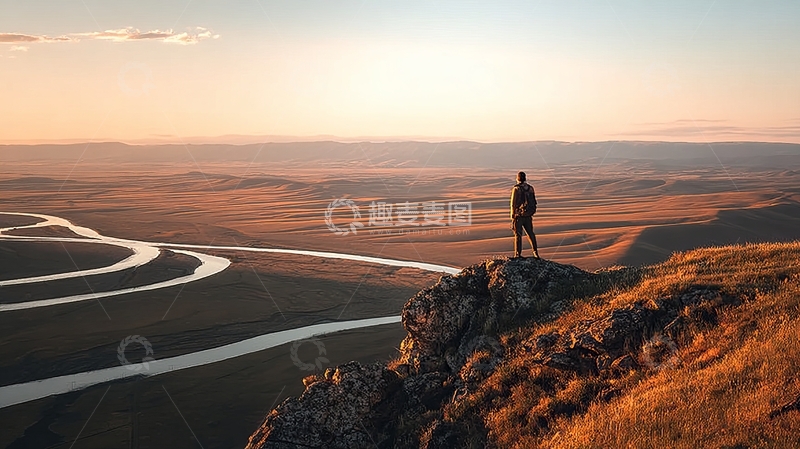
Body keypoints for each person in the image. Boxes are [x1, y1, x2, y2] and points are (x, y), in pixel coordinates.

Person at [510, 171, 540, 259]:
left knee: (518, 234)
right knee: (530, 233)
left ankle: (517, 254)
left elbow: (513, 203)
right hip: (528, 215)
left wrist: (512, 215)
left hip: (519, 215)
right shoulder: (530, 188)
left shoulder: (516, 189)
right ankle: (535, 252)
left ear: (517, 178)